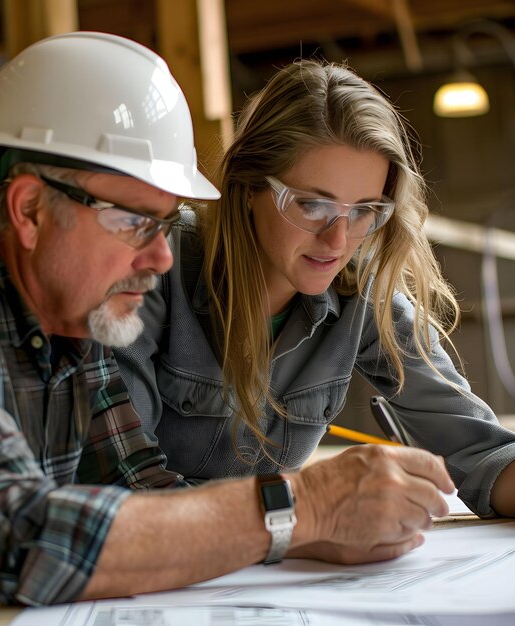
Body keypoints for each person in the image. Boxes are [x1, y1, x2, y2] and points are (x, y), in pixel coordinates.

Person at [0, 33, 456, 617]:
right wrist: (302, 507)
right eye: (136, 222)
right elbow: (17, 537)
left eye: (165, 225)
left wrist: (303, 533)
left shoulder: (69, 315)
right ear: (30, 210)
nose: (162, 259)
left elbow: (139, 482)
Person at [114, 59, 515, 509]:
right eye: (311, 205)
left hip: (270, 570)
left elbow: (484, 452)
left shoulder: (361, 296)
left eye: (364, 210)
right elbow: (122, 484)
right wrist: (305, 509)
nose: (338, 241)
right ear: (248, 187)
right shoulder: (153, 267)